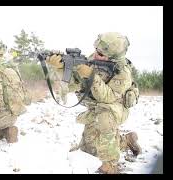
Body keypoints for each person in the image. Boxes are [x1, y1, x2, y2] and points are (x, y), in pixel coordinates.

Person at [46, 32, 141, 174]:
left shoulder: (123, 71)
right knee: (90, 150)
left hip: (115, 109)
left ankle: (110, 164)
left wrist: (91, 76)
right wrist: (60, 68)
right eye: (96, 50)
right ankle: (126, 141)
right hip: (96, 107)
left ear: (113, 57)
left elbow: (108, 97)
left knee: (105, 118)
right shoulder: (92, 58)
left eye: (101, 54)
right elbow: (74, 85)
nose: (96, 55)